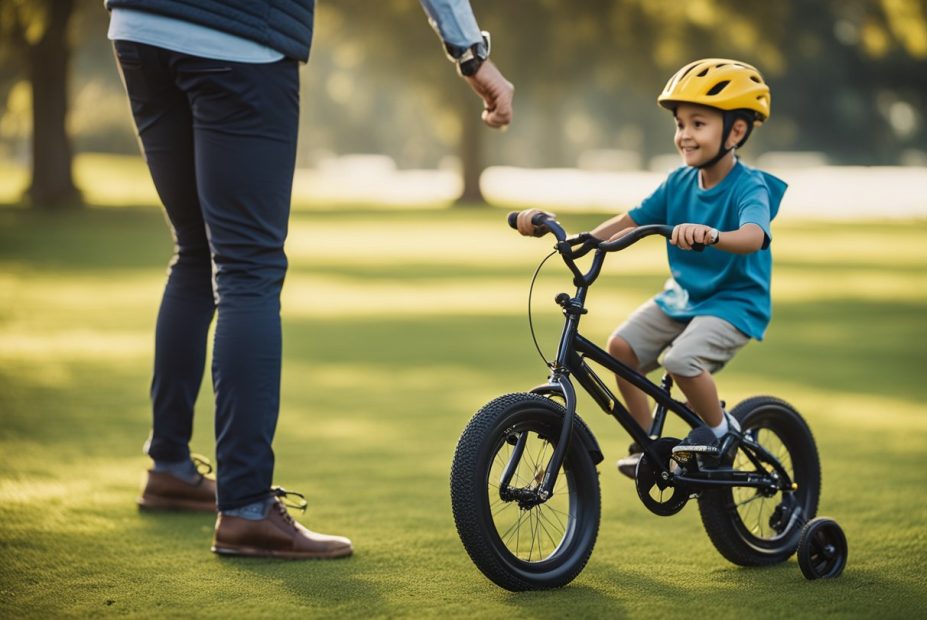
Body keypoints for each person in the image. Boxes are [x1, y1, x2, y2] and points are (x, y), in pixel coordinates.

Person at [106, 0, 514, 559]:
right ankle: (246, 508)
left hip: (140, 29)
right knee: (248, 268)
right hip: (240, 37)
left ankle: (170, 467)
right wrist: (471, 56)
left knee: (196, 251)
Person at [516, 58, 786, 477]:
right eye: (680, 124)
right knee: (620, 348)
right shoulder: (678, 183)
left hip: (734, 303)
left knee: (681, 361)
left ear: (736, 131)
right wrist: (579, 241)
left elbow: (754, 235)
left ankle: (719, 430)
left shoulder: (749, 186)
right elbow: (629, 221)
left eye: (699, 124)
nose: (684, 135)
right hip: (684, 297)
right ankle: (647, 444)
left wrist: (712, 234)